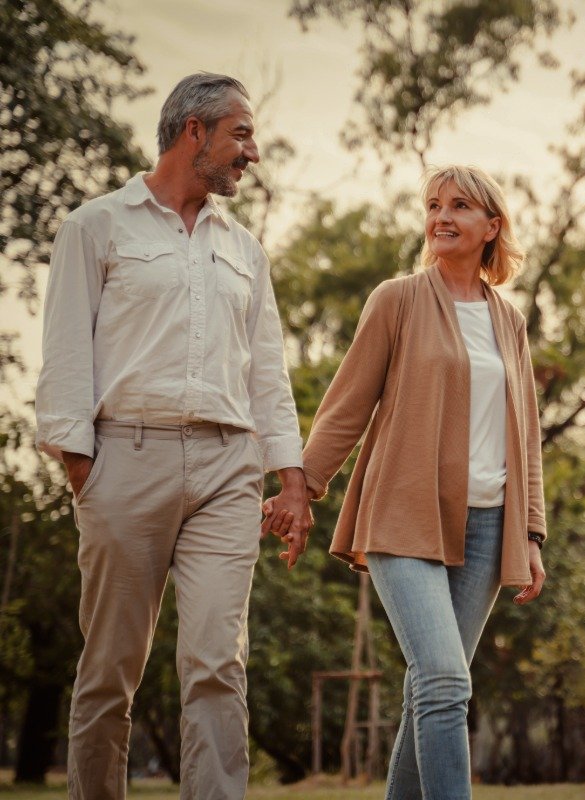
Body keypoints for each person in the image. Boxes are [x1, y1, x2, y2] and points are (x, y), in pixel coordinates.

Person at [35, 72, 312, 800]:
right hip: (125, 460)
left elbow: (268, 371)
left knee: (219, 663)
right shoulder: (95, 226)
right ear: (195, 132)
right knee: (110, 670)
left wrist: (290, 478)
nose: (250, 152)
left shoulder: (246, 250)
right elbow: (66, 355)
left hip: (228, 469)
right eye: (240, 135)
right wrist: (82, 469)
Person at [263, 165, 546, 799]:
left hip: (488, 525)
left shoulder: (511, 323)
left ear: (492, 227)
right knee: (445, 679)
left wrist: (529, 533)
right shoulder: (397, 299)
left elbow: (523, 432)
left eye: (460, 206)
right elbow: (346, 405)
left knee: (431, 690)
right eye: (433, 205)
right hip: (403, 514)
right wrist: (300, 486)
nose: (442, 216)